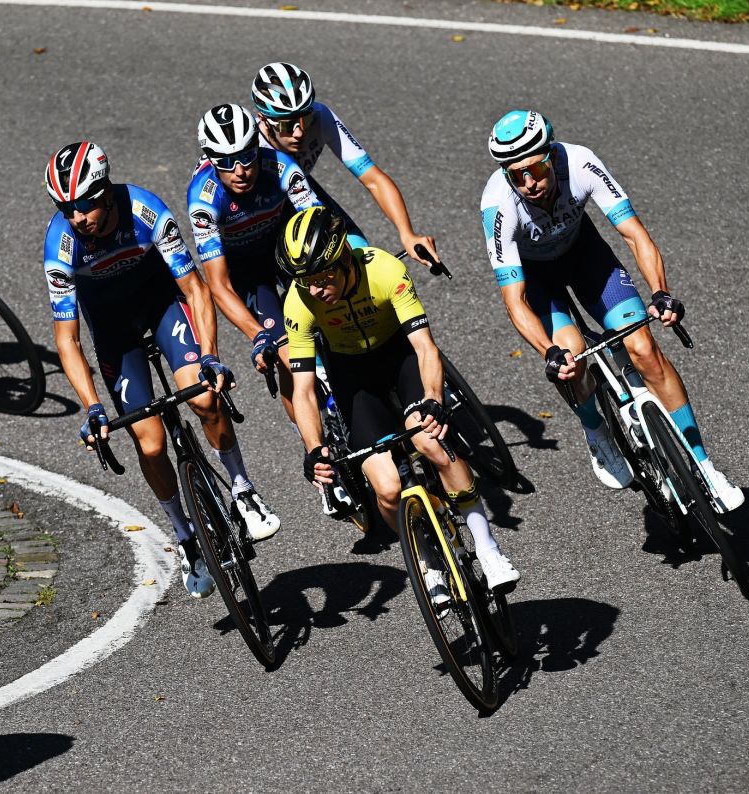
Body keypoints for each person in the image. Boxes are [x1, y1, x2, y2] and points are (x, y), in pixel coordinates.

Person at [42, 141, 280, 598]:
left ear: (105, 192)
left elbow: (195, 289)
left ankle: (242, 488)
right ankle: (185, 535)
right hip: (114, 330)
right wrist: (92, 407)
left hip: (161, 306)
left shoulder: (145, 210)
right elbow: (67, 340)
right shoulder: (61, 245)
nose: (77, 217)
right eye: (65, 209)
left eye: (85, 205)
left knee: (204, 397)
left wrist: (209, 355)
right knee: (150, 443)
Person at [479, 109, 743, 510]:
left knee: (644, 349)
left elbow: (634, 234)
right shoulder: (497, 205)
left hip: (585, 257)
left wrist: (660, 293)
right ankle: (596, 430)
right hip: (537, 280)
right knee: (571, 358)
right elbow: (515, 300)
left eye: (536, 169)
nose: (529, 183)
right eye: (517, 176)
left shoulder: (579, 162)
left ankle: (705, 467)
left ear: (552, 155)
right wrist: (549, 353)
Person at [279, 206, 520, 597]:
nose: (316, 290)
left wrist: (433, 399)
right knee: (388, 489)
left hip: (400, 358)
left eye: (323, 278)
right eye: (306, 281)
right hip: (354, 379)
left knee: (430, 442)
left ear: (344, 259)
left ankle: (488, 549)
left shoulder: (385, 270)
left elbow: (424, 347)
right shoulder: (299, 302)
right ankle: (427, 562)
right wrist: (314, 449)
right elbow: (303, 389)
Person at [187, 103, 322, 420]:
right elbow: (219, 285)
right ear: (211, 159)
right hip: (246, 272)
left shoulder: (281, 167)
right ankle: (311, 439)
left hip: (286, 251)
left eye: (247, 157)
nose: (240, 170)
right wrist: (258, 335)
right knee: (289, 357)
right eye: (226, 162)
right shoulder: (203, 199)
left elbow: (319, 225)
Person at [250, 61, 438, 267]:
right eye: (287, 125)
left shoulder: (321, 116)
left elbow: (373, 179)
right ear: (263, 119)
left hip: (301, 192)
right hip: (257, 213)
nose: (299, 132)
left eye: (305, 118)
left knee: (358, 255)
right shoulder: (252, 147)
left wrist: (407, 234)